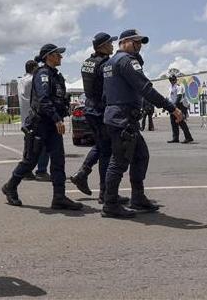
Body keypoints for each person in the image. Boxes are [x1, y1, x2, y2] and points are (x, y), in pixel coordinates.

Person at [101, 29, 183, 218]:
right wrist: (172, 108)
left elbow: (106, 93)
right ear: (125, 42)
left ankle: (137, 198)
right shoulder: (127, 61)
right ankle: (110, 204)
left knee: (140, 155)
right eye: (136, 42)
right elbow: (145, 88)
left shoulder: (109, 63)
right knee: (119, 162)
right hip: (122, 118)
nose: (139, 47)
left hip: (117, 116)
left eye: (140, 43)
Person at [2, 44, 82, 212]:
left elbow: (59, 99)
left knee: (59, 161)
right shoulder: (43, 74)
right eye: (57, 54)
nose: (61, 57)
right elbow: (44, 100)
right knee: (30, 161)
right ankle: (10, 186)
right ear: (48, 56)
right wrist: (56, 119)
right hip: (41, 125)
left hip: (53, 125)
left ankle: (59, 197)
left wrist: (62, 113)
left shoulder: (56, 76)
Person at [70, 32, 129, 204]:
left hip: (90, 108)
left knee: (101, 145)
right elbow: (108, 87)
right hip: (100, 109)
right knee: (107, 152)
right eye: (110, 43)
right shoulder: (104, 64)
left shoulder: (87, 62)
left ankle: (83, 173)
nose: (113, 45)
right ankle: (105, 192)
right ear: (102, 46)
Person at [17, 60, 50, 181]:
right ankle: (41, 171)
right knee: (42, 145)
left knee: (29, 146)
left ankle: (26, 171)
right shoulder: (33, 80)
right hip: (34, 118)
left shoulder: (20, 81)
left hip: (24, 119)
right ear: (34, 68)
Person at [167, 75, 193, 144]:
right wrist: (166, 106)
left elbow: (179, 96)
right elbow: (169, 98)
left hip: (178, 105)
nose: (172, 81)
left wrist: (175, 105)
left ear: (175, 80)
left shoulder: (179, 86)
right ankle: (175, 138)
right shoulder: (170, 87)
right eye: (170, 80)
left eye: (173, 80)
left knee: (181, 122)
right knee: (173, 122)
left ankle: (188, 137)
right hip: (172, 106)